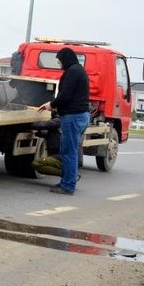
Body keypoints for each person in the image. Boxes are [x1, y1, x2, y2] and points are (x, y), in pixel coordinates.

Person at [37, 47, 90, 195]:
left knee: (68, 152)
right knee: (69, 151)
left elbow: (65, 95)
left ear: (66, 59)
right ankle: (67, 182)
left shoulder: (73, 72)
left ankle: (68, 186)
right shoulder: (78, 70)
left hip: (73, 117)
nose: (59, 64)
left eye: (60, 61)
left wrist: (51, 105)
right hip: (79, 116)